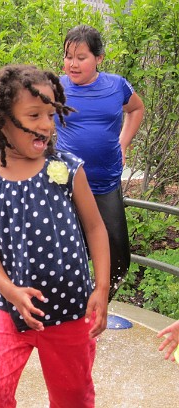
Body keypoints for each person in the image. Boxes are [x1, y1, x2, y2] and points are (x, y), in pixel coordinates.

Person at [0, 64, 110, 407]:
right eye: (34, 115)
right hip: (11, 309)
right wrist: (12, 292)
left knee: (72, 396)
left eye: (49, 113)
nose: (46, 124)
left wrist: (100, 288)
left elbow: (95, 227)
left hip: (71, 310)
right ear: (2, 121)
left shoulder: (67, 168)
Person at [55, 25, 145, 302]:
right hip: (63, 184)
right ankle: (70, 310)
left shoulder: (116, 85)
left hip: (104, 183)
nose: (73, 63)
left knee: (118, 257)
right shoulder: (55, 88)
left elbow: (137, 109)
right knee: (66, 253)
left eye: (81, 57)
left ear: (99, 58)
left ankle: (97, 305)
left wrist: (123, 142)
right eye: (68, 56)